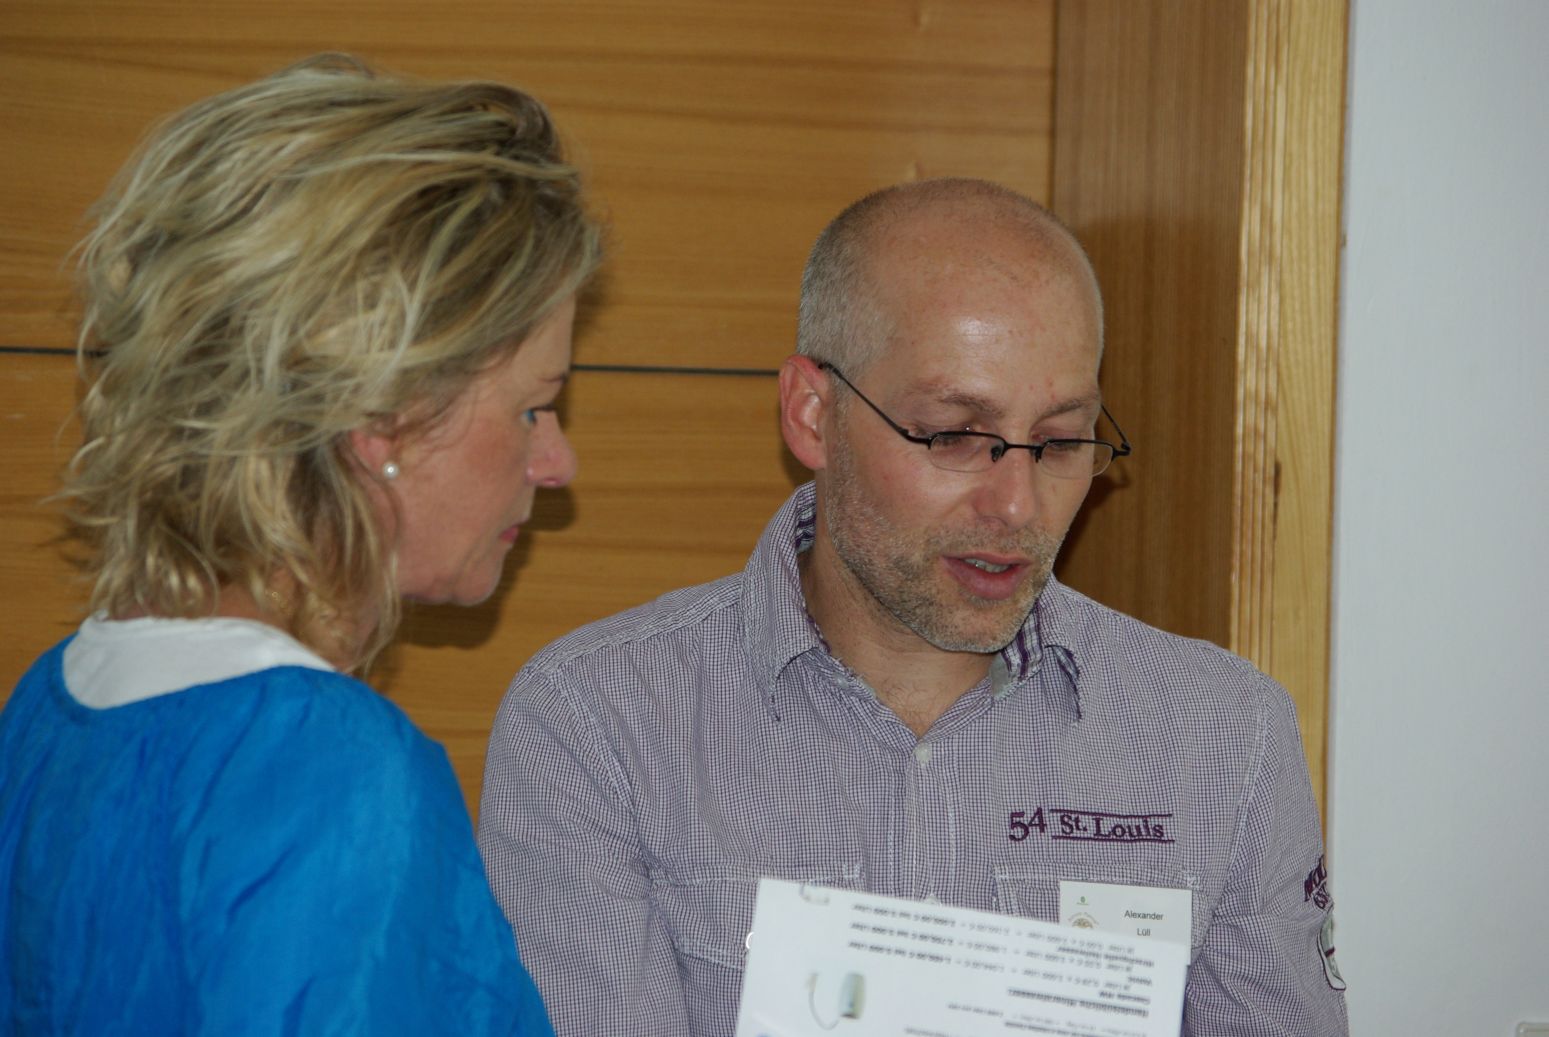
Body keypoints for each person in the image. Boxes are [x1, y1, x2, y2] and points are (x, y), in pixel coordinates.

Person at [478, 178, 1347, 1036]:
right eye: (954, 434)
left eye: (1058, 442)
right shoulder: (600, 723)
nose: (1016, 505)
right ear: (812, 414)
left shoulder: (1223, 736)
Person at [0, 55, 600, 1033]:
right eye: (533, 406)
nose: (556, 460)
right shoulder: (332, 768)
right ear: (383, 416)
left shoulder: (51, 706)